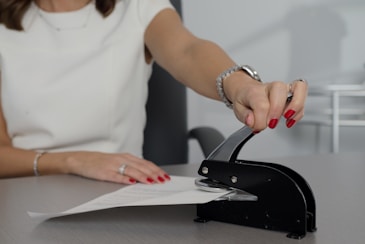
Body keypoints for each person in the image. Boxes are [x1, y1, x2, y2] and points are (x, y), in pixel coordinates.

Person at [0, 0, 308, 184]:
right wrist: (72, 161)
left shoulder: (136, 6)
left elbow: (187, 50)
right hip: (24, 190)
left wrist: (242, 85)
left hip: (119, 191)